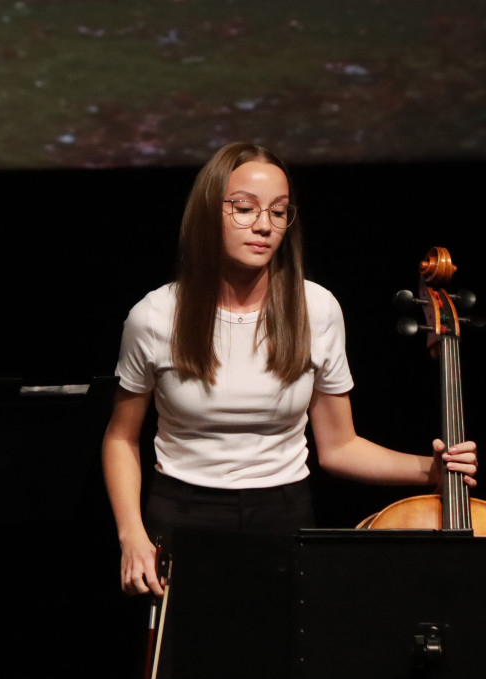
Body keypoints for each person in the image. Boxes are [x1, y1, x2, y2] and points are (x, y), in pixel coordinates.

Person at [102, 142, 478, 602]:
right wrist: (131, 535)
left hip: (283, 513)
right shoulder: (156, 315)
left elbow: (340, 447)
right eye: (244, 208)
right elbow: (121, 438)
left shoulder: (315, 308)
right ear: (208, 212)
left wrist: (433, 471)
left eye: (279, 212)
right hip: (183, 515)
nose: (263, 225)